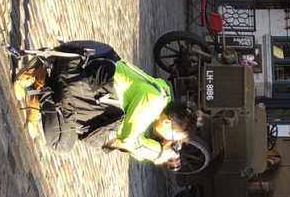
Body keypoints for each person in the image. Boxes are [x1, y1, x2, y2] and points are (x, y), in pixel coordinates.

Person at [13, 39, 198, 162]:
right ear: (167, 121)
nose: (169, 140)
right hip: (78, 75)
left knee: (68, 142)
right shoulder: (153, 103)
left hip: (87, 77)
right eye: (173, 137)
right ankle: (40, 80)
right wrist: (158, 153)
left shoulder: (163, 93)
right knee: (59, 142)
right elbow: (128, 139)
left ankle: (43, 93)